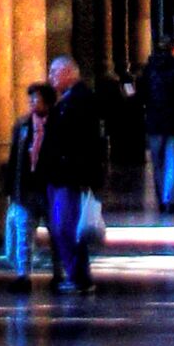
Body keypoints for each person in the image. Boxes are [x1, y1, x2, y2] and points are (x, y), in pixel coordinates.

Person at [36, 54, 109, 291]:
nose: (50, 78)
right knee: (67, 228)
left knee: (65, 228)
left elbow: (81, 142)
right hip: (64, 176)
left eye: (54, 72)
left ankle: (78, 277)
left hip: (70, 178)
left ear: (69, 73)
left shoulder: (79, 101)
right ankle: (77, 275)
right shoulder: (70, 100)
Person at [136, 36, 174, 215]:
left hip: (155, 121)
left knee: (157, 162)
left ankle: (161, 197)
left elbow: (142, 94)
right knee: (173, 161)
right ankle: (169, 199)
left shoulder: (148, 69)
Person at [2, 82, 52, 282]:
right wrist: (11, 190)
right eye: (30, 99)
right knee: (24, 233)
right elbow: (14, 158)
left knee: (56, 233)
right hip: (26, 187)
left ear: (47, 102)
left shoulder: (56, 124)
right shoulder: (22, 126)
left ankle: (59, 273)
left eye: (36, 99)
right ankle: (23, 275)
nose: (32, 103)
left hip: (49, 188)